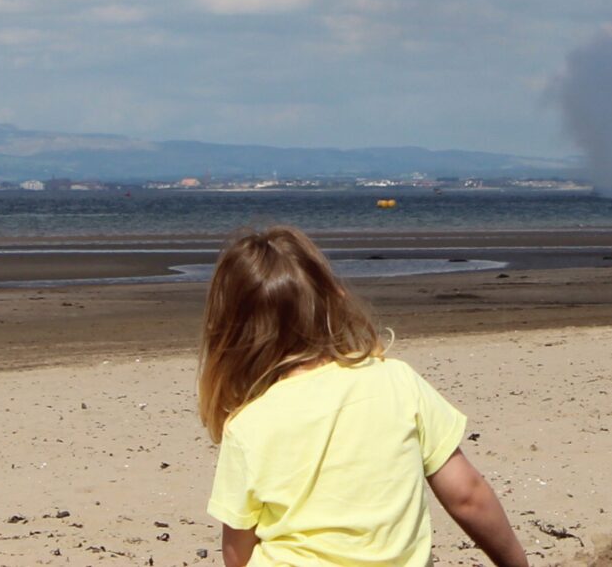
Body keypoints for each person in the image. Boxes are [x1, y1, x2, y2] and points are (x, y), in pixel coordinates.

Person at [200, 227, 528, 567]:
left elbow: (237, 553)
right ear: (334, 300)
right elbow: (468, 496)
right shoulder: (397, 382)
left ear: (231, 333)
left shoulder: (249, 425)